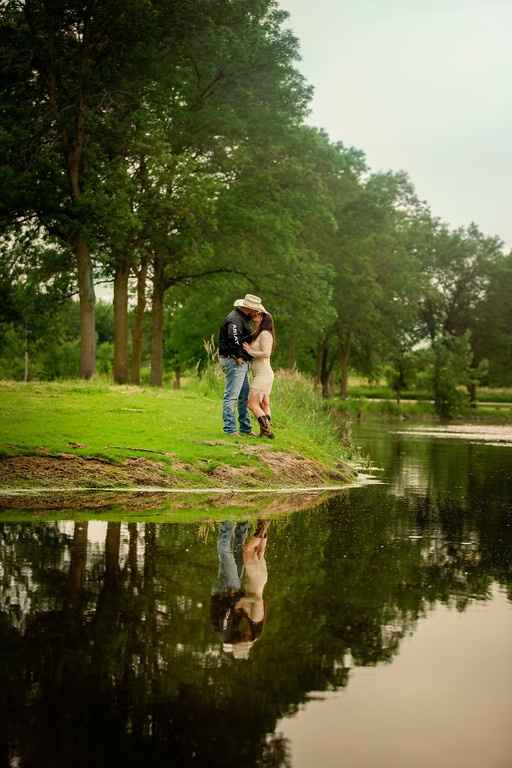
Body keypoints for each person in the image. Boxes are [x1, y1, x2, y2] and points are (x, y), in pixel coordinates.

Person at [210, 520, 270, 660]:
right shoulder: (236, 632)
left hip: (226, 592)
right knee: (238, 553)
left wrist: (235, 599)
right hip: (232, 592)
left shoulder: (225, 633)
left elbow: (227, 612)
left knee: (226, 554)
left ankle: (226, 523)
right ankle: (243, 523)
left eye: (245, 640)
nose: (245, 637)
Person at [218, 294, 266, 436]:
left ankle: (245, 429)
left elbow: (245, 338)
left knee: (243, 395)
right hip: (234, 361)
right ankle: (230, 429)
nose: (257, 313)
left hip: (238, 362)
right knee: (232, 396)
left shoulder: (242, 319)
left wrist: (257, 325)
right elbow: (233, 339)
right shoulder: (234, 320)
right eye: (255, 310)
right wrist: (237, 356)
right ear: (249, 309)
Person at [242, 312, 275, 439]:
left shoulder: (266, 334)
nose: (256, 317)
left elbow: (266, 353)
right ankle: (264, 432)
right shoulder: (260, 334)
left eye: (259, 316)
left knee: (252, 404)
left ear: (264, 319)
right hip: (263, 374)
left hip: (263, 375)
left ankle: (267, 430)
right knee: (264, 404)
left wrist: (250, 350)